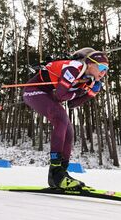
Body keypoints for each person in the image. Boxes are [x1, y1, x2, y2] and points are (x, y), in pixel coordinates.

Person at [23, 48, 109, 189]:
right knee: (61, 119)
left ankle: (61, 173)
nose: (104, 72)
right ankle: (56, 174)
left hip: (47, 93)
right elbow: (61, 96)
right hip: (33, 90)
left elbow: (72, 104)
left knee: (69, 130)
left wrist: (90, 93)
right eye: (102, 67)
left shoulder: (88, 79)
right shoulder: (75, 67)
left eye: (106, 69)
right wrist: (81, 91)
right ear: (90, 63)